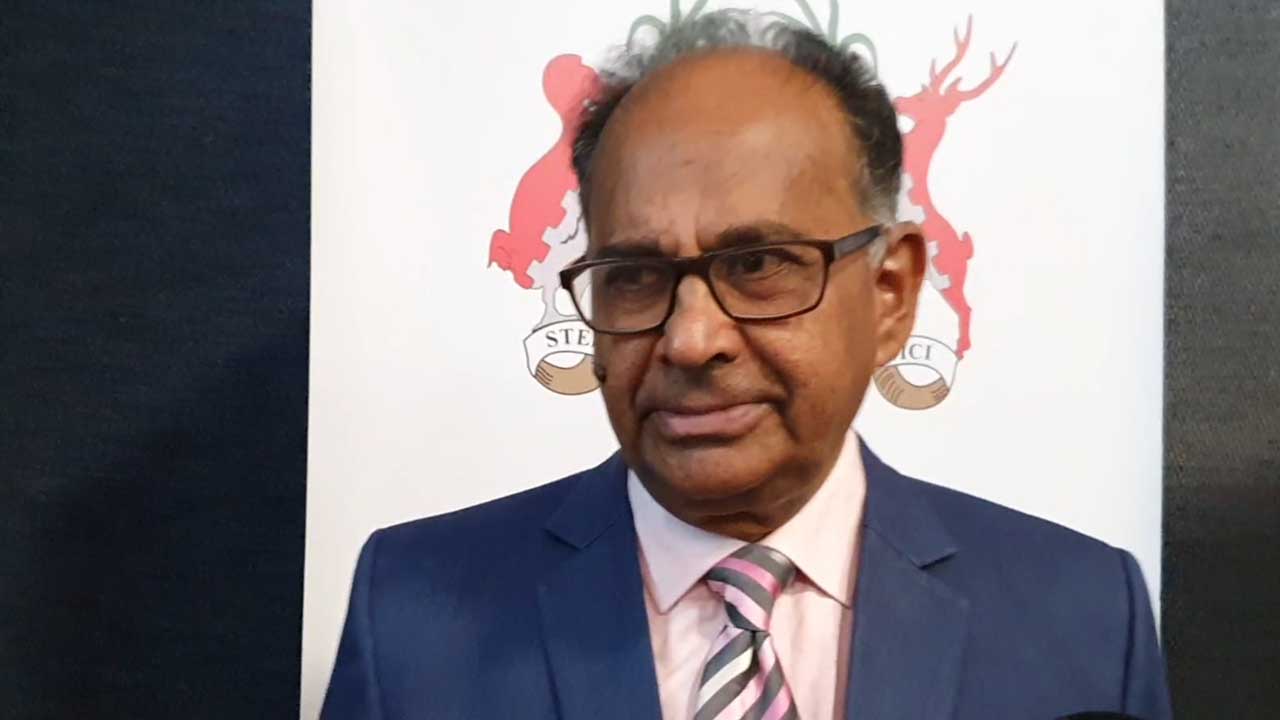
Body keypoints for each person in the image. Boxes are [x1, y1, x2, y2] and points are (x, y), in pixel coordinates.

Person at [321, 12, 1172, 720]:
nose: (692, 340)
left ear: (891, 294)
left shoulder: (1085, 618)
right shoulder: (415, 619)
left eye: (759, 265)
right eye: (635, 276)